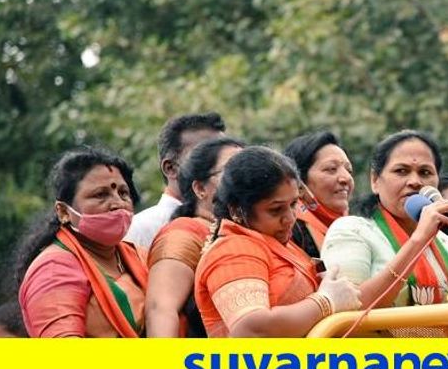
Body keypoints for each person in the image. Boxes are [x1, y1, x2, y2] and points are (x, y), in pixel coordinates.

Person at [321, 130, 448, 308]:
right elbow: (349, 309)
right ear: (375, 181)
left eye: (425, 172)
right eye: (401, 171)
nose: (415, 181)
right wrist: (418, 240)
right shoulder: (351, 230)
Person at [193, 146, 361, 337]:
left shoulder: (282, 245)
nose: (290, 218)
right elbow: (249, 329)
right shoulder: (233, 250)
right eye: (276, 210)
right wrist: (325, 301)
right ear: (237, 210)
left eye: (293, 204)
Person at [16, 147, 148, 337]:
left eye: (123, 192)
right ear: (63, 212)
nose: (117, 203)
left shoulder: (140, 256)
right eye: (100, 194)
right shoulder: (53, 270)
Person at [145, 137, 244, 337]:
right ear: (200, 188)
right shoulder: (184, 233)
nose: (245, 179)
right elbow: (161, 309)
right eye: (232, 171)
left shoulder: (250, 232)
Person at [125, 112, 226, 248]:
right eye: (205, 156)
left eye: (225, 156)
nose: (222, 164)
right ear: (170, 168)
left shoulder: (233, 223)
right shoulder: (142, 229)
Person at [283, 131, 354, 258]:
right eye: (331, 169)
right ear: (299, 182)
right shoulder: (287, 229)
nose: (346, 178)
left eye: (349, 170)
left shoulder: (357, 228)